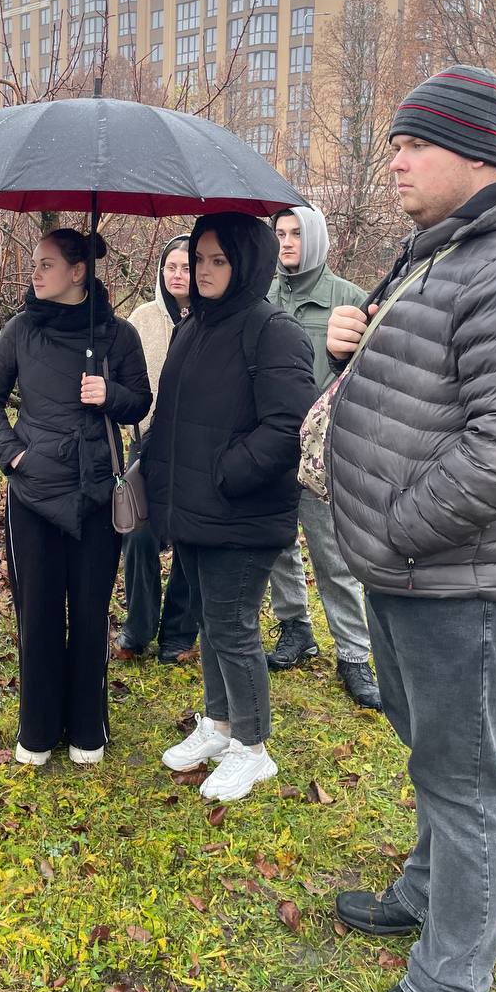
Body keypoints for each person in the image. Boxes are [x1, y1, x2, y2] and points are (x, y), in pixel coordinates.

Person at [324, 67, 496, 992]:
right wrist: (349, 343)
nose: (396, 162)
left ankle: (449, 981)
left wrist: (397, 528)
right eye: (394, 146)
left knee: (469, 790)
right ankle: (425, 894)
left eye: (415, 145)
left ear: (476, 153)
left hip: (461, 580)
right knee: (435, 761)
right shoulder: (443, 250)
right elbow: (424, 386)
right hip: (410, 571)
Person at [142, 213, 317, 802]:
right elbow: (175, 417)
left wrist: (225, 474)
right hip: (194, 510)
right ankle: (219, 725)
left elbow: (289, 427)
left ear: (246, 264)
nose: (203, 270)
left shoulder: (272, 331)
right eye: (199, 259)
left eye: (219, 260)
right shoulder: (194, 325)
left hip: (242, 514)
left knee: (234, 628)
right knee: (211, 624)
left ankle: (253, 746)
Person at [0, 228, 150, 766]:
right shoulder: (20, 331)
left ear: (78, 272)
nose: (34, 273)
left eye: (45, 264)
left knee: (91, 614)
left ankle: (88, 730)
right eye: (34, 263)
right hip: (33, 495)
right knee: (39, 614)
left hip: (96, 495)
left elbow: (140, 403)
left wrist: (109, 394)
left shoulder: (117, 335)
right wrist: (13, 455)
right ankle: (38, 731)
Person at [265, 205, 381, 709]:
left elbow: (371, 380)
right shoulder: (264, 295)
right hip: (270, 447)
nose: (287, 242)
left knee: (332, 555)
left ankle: (354, 654)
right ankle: (296, 628)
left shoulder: (348, 300)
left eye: (296, 233)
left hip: (324, 452)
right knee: (278, 546)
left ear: (315, 237)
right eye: (280, 234)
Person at [115, 235, 199, 664]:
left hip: (197, 450)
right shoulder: (142, 318)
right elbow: (124, 378)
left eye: (186, 267)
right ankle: (138, 627)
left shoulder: (212, 318)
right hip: (146, 446)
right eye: (171, 267)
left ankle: (179, 635)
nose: (178, 275)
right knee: (138, 535)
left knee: (190, 540)